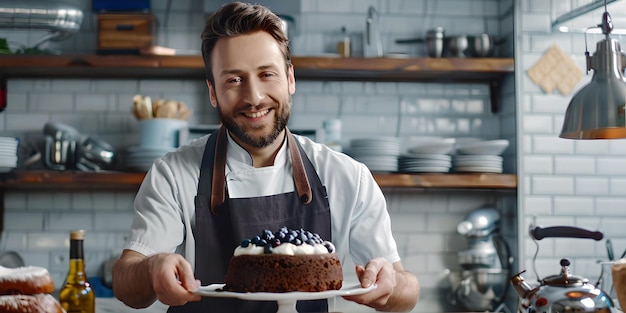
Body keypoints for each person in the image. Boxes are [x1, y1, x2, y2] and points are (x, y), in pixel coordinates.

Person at [112, 2, 420, 312]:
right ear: (212, 92)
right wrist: (152, 269)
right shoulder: (174, 173)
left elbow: (406, 291)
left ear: (290, 79)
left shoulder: (346, 176)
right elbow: (126, 283)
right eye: (234, 79)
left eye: (266, 74)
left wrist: (391, 283)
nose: (254, 97)